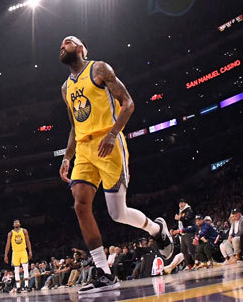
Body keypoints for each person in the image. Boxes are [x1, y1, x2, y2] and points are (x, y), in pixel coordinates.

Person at [57, 36, 173, 292]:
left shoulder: (99, 69)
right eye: (60, 45)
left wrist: (112, 134)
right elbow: (74, 126)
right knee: (80, 204)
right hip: (84, 150)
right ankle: (104, 272)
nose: (62, 46)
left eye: (67, 42)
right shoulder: (65, 88)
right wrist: (67, 157)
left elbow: (128, 103)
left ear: (80, 48)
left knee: (117, 213)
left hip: (108, 144)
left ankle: (156, 229)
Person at [4, 219, 32, 293]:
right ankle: (18, 287)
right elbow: (8, 245)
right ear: (13, 225)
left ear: (20, 224)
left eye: (18, 222)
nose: (16, 223)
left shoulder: (24, 231)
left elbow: (28, 241)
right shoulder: (10, 233)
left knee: (25, 268)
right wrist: (6, 255)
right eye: (15, 222)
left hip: (23, 251)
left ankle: (26, 286)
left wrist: (30, 251)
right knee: (16, 270)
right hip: (15, 253)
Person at [174, 198, 195, 268]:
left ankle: (197, 263)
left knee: (192, 249)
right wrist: (173, 229)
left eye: (182, 203)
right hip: (182, 233)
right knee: (183, 250)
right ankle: (188, 265)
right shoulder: (180, 212)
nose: (180, 204)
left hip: (188, 232)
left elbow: (187, 219)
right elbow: (179, 223)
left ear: (185, 203)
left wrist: (180, 218)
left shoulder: (189, 210)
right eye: (179, 203)